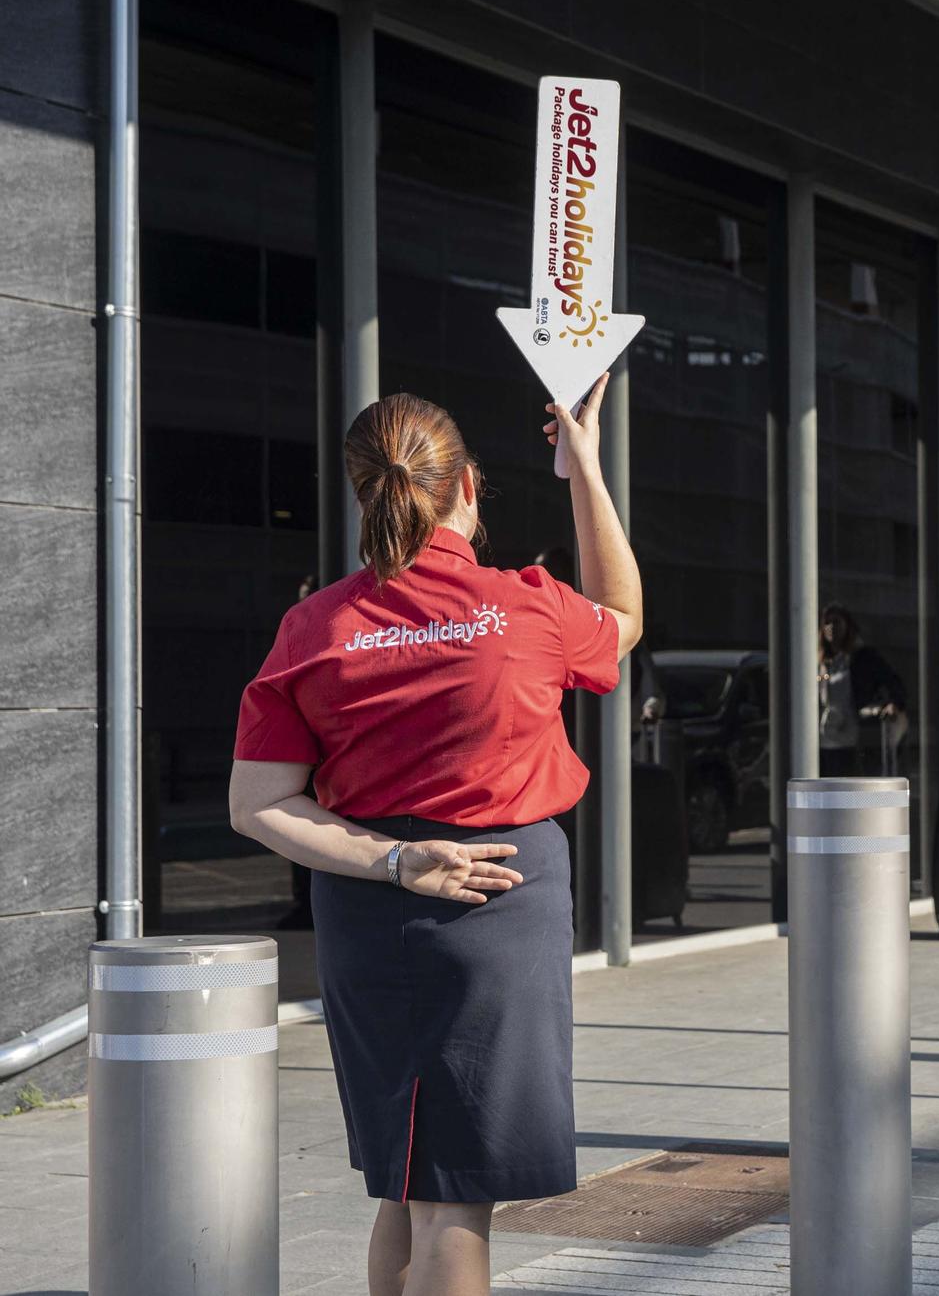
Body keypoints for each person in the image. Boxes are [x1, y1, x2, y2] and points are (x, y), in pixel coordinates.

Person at [229, 374, 641, 1294]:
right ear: (467, 486)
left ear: (364, 491)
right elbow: (625, 621)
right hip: (499, 896)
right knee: (456, 1200)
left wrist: (395, 858)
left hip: (368, 906)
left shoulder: (314, 628)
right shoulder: (527, 607)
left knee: (407, 1183)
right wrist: (584, 469)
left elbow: (256, 804)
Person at [817, 602, 907, 777]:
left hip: (854, 738)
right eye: (827, 622)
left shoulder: (863, 658)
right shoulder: (822, 664)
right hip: (825, 738)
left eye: (836, 622)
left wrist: (894, 704)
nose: (831, 627)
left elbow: (893, 681)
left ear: (847, 625)